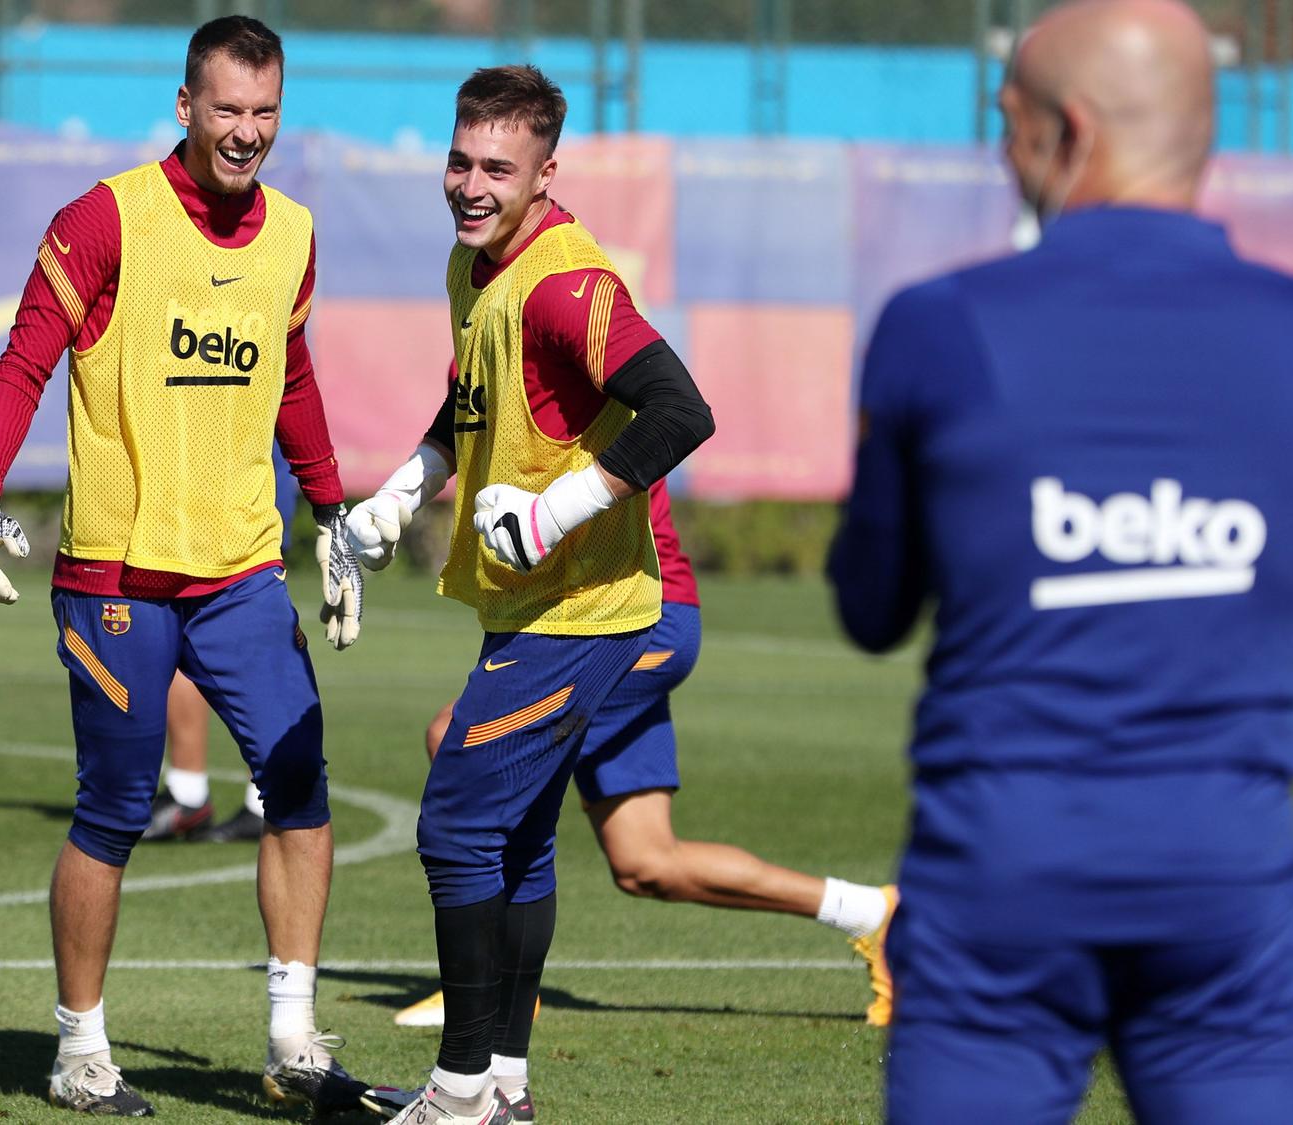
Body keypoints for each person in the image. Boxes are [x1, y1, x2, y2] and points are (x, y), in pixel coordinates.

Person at [828, 2, 1293, 1120]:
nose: (1001, 157)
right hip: (1225, 879)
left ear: (1067, 132)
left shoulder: (934, 324)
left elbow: (870, 609)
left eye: (1006, 126)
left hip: (998, 883)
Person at [0, 15, 369, 1117]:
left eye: (264, 114)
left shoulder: (293, 234)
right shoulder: (104, 219)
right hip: (114, 583)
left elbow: (292, 381)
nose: (246, 134)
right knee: (114, 810)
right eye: (226, 110)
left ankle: (293, 1044)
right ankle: (79, 1050)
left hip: (240, 575)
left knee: (300, 789)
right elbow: (23, 361)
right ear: (183, 106)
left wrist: (330, 515)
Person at [343, 65, 716, 1125]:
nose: (470, 183)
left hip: (578, 611)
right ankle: (501, 1084)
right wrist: (403, 490)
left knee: (456, 829)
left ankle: (457, 1095)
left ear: (546, 173)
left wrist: (561, 509)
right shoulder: (476, 269)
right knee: (514, 839)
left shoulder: (567, 285)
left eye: (496, 169)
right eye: (458, 160)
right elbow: (472, 401)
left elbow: (681, 411)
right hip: (528, 606)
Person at [381, 484, 894, 1065]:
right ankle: (874, 913)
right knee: (647, 863)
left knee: (459, 736)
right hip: (607, 615)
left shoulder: (579, 385)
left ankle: (499, 991)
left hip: (632, 618)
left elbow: (659, 423)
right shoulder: (482, 387)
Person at [144, 457, 301, 843]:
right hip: (195, 488)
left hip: (246, 488)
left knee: (256, 640)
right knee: (178, 628)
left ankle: (266, 800)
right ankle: (187, 791)